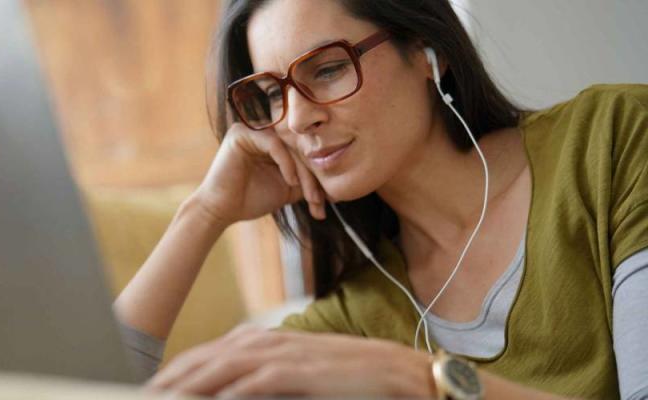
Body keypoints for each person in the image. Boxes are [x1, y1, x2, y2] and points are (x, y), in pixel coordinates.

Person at [113, 0, 648, 398]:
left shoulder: (613, 143)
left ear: (425, 51)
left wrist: (416, 379)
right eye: (273, 95)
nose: (298, 119)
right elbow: (84, 386)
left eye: (326, 69)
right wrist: (204, 212)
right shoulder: (354, 320)